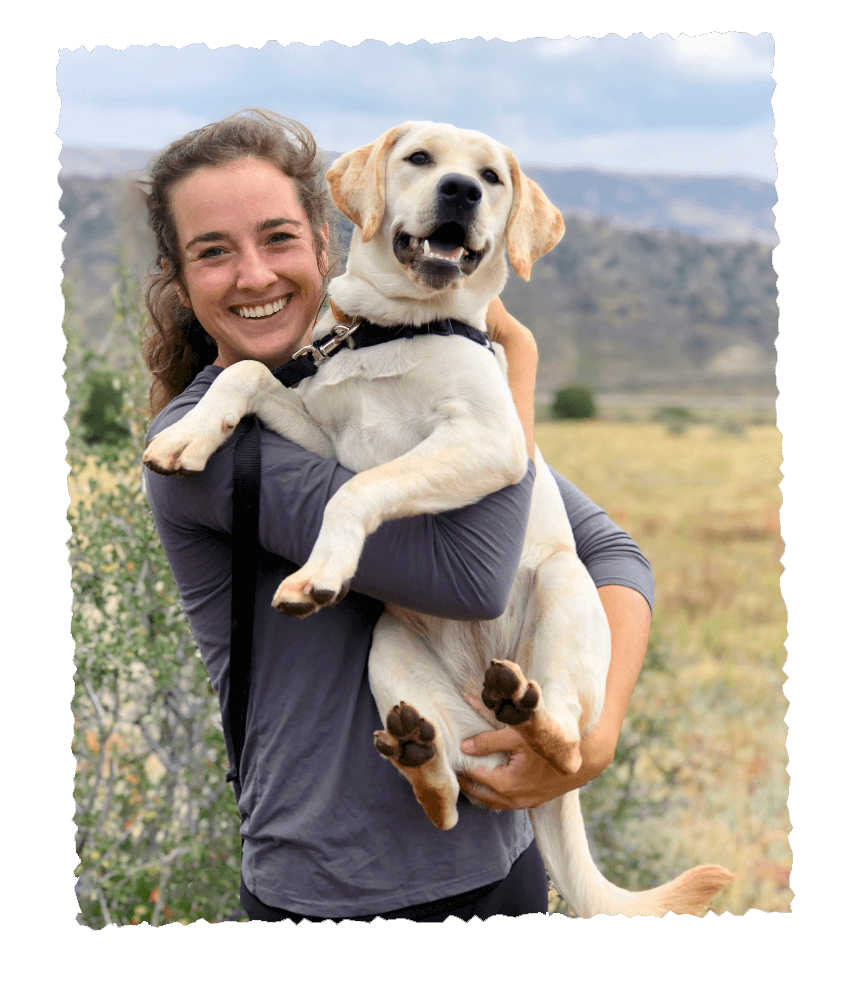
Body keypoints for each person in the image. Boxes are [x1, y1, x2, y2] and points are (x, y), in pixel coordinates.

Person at [142, 109, 653, 923]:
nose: (253, 275)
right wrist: (515, 370)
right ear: (178, 275)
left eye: (277, 238)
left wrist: (590, 742)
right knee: (397, 630)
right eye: (213, 251)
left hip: (499, 857)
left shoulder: (390, 366)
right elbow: (472, 576)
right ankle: (431, 762)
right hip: (335, 886)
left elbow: (606, 550)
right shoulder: (200, 451)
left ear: (324, 236)